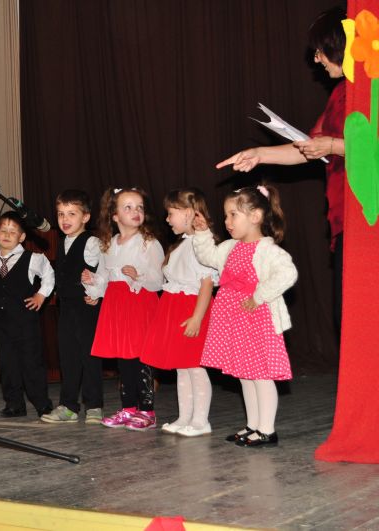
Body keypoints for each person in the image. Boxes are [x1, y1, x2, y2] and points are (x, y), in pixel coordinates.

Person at [216, 7, 345, 334]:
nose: (316, 59)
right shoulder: (339, 95)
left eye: (320, 50)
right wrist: (259, 154)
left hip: (368, 217)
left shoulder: (369, 90)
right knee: (345, 314)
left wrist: (333, 145)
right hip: (344, 216)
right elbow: (308, 148)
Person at [193, 184, 298, 447]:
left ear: (255, 216)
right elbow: (207, 257)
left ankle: (267, 430)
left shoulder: (268, 250)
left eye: (233, 215)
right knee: (244, 375)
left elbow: (288, 274)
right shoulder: (229, 247)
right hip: (234, 319)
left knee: (261, 376)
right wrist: (202, 232)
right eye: (225, 216)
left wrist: (260, 295)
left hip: (256, 320)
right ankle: (253, 425)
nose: (227, 222)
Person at [83, 187, 164, 431]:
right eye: (128, 207)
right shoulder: (109, 245)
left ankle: (147, 411)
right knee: (124, 359)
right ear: (115, 215)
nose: (135, 211)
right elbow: (105, 276)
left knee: (141, 359)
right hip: (117, 305)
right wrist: (92, 284)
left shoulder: (149, 243)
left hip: (139, 304)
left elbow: (159, 280)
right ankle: (128, 408)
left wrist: (138, 275)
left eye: (139, 207)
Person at [140, 189, 217, 437]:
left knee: (194, 366)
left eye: (171, 213)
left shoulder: (202, 245)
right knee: (181, 367)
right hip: (175, 309)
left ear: (188, 213)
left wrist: (197, 317)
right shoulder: (183, 243)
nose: (167, 219)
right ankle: (185, 417)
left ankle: (201, 421)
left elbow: (206, 283)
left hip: (191, 309)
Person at [40, 190, 103, 424]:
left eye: (71, 214)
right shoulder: (62, 242)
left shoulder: (92, 242)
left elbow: (105, 272)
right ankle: (68, 406)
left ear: (85, 217)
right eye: (60, 214)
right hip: (66, 308)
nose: (65, 219)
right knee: (68, 357)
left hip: (86, 306)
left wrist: (96, 293)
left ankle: (94, 405)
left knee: (90, 356)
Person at [0, 211, 54, 418]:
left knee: (31, 364)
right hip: (2, 325)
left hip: (25, 323)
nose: (7, 235)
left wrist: (41, 295)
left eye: (13, 232)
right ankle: (14, 404)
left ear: (22, 237)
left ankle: (42, 404)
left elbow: (49, 274)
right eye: (3, 231)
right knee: (7, 365)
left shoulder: (32, 258)